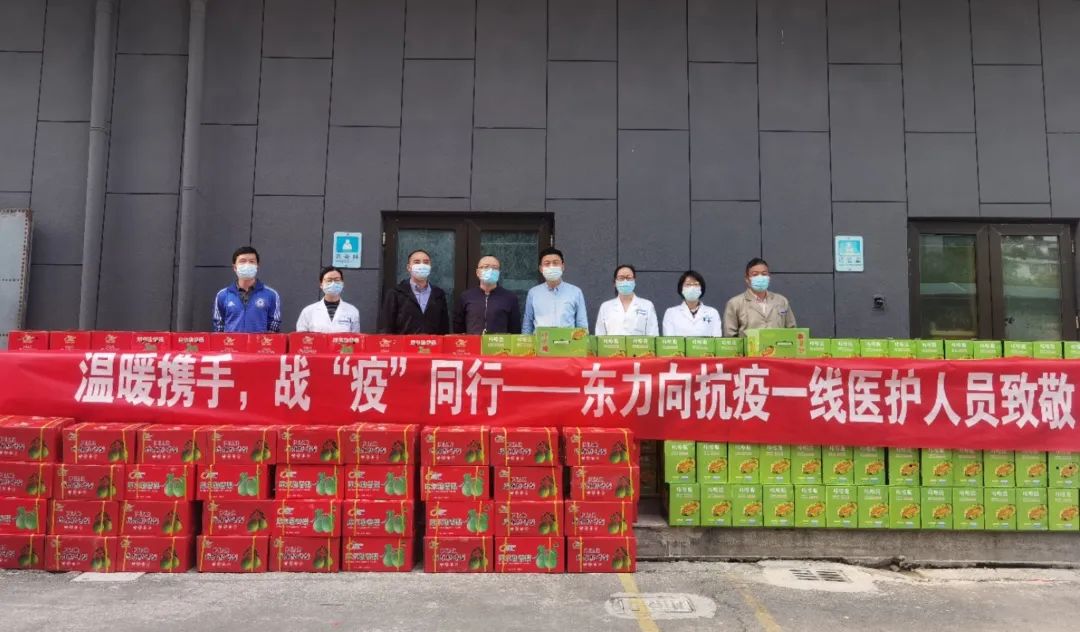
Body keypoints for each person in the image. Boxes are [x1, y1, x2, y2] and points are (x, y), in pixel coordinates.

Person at [378, 249, 450, 334]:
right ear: (409, 267)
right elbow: (386, 327)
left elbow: (444, 327)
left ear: (430, 266)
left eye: (426, 262)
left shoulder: (438, 294)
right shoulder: (396, 293)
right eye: (417, 262)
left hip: (432, 342)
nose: (422, 265)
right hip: (403, 342)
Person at [212, 246, 282, 333]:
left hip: (260, 342)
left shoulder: (271, 295)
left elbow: (274, 326)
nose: (247, 264)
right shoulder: (223, 295)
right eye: (243, 261)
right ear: (235, 267)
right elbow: (219, 326)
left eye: (252, 261)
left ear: (257, 266)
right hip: (231, 341)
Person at [723, 257, 797, 337]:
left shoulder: (781, 301)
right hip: (749, 345)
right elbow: (730, 336)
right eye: (755, 274)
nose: (760, 277)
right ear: (747, 278)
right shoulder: (735, 303)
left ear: (769, 277)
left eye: (764, 274)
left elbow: (792, 330)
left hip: (777, 345)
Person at [522, 247, 588, 334]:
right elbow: (527, 325)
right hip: (541, 341)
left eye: (555, 263)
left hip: (567, 341)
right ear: (541, 268)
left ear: (563, 266)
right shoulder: (533, 293)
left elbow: (582, 325)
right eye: (547, 263)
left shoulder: (575, 292)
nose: (551, 266)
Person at [453, 255, 522, 334]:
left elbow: (515, 328)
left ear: (499, 272)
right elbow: (458, 327)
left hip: (499, 341)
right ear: (477, 272)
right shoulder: (466, 297)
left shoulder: (509, 298)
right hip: (473, 341)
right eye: (486, 267)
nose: (490, 270)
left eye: (495, 267)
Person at [594, 264, 659, 336]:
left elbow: (653, 335)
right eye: (621, 278)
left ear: (634, 281)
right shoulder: (605, 307)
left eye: (629, 278)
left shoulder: (647, 305)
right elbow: (599, 336)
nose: (625, 281)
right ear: (615, 282)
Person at [295, 266, 361, 333]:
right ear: (321, 285)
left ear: (342, 283)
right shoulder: (308, 311)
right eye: (329, 280)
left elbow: (355, 337)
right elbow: (301, 337)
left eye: (337, 280)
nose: (333, 283)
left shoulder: (352, 311)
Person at [661, 270, 723, 337]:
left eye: (696, 284)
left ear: (701, 288)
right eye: (688, 284)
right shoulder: (671, 313)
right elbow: (669, 340)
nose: (692, 288)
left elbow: (717, 339)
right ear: (681, 288)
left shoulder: (712, 313)